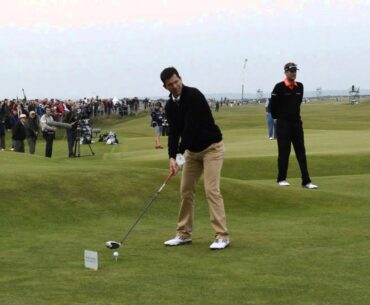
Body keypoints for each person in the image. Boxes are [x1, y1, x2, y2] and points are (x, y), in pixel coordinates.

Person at [161, 67, 230, 250]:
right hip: (192, 152)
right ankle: (183, 234)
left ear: (180, 78)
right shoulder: (169, 106)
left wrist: (179, 155)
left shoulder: (194, 96)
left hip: (212, 148)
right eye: (171, 84)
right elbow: (174, 133)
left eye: (177, 81)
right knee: (186, 190)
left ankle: (222, 236)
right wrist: (171, 158)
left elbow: (191, 128)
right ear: (165, 87)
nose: (175, 86)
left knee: (211, 190)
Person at [270, 62, 318, 189]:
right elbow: (272, 107)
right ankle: (281, 179)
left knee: (301, 152)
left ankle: (306, 181)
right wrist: (280, 118)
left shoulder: (299, 87)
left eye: (295, 70)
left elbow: (298, 103)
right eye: (291, 71)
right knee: (284, 152)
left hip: (296, 123)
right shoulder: (279, 87)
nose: (293, 73)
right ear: (285, 72)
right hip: (283, 123)